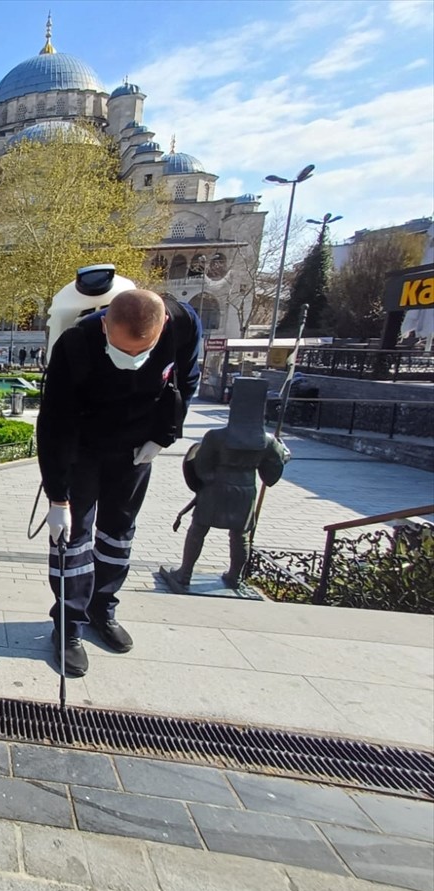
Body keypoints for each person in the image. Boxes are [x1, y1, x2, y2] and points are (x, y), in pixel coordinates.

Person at [37, 278, 201, 677]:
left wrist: (161, 439)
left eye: (141, 351)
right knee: (73, 542)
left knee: (118, 532)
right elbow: (54, 423)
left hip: (135, 449)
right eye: (122, 350)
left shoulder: (182, 323)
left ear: (160, 330)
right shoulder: (76, 343)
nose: (130, 359)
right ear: (106, 324)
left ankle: (101, 609)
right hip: (84, 448)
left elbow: (187, 382)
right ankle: (69, 626)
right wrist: (58, 499)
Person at [161, 378, 290, 592]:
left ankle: (185, 573)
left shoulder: (216, 437)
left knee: (198, 529)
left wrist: (207, 482)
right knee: (240, 536)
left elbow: (200, 466)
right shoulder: (269, 442)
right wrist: (282, 458)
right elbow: (271, 477)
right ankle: (234, 577)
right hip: (246, 489)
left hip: (215, 487)